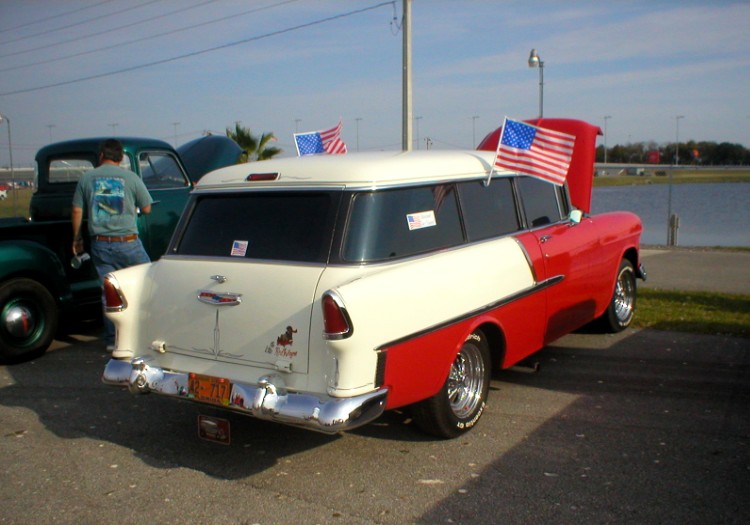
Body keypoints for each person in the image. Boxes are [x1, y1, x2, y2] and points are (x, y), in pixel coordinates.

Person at [71, 139, 153, 353]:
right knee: (146, 284)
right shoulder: (131, 177)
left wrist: (77, 238)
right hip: (129, 243)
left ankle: (111, 339)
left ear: (101, 156)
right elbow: (146, 208)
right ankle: (144, 334)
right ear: (120, 157)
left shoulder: (86, 179)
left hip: (100, 244)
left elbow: (77, 210)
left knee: (108, 292)